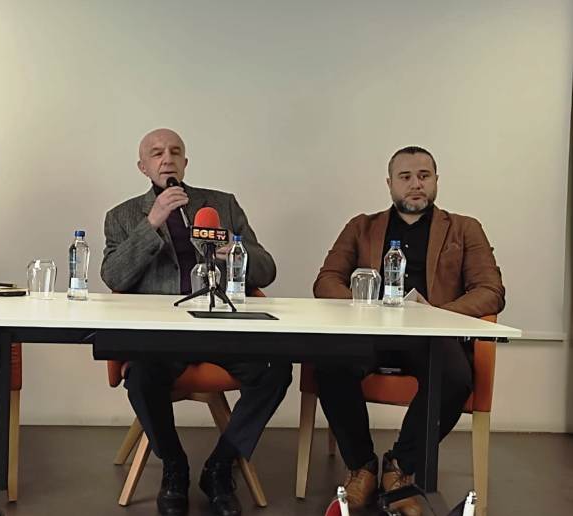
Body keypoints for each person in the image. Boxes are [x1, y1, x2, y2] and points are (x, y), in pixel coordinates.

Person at [101, 128, 292, 516]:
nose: (166, 159)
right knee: (141, 377)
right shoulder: (122, 216)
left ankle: (220, 466)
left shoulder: (221, 205)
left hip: (221, 325)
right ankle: (174, 466)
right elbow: (113, 276)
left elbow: (267, 270)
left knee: (277, 369)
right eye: (156, 153)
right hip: (162, 333)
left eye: (175, 152)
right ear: (143, 167)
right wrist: (152, 223)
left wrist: (235, 252)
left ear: (185, 163)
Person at [313, 146, 505, 515]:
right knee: (329, 363)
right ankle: (362, 467)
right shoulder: (361, 227)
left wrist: (436, 315)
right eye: (405, 177)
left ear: (436, 181)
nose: (416, 184)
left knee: (455, 377)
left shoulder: (464, 228)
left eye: (424, 176)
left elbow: (490, 290)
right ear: (390, 184)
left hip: (430, 334)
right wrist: (363, 306)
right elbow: (326, 281)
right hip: (370, 330)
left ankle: (400, 467)